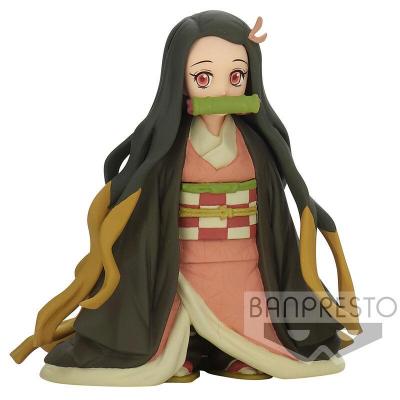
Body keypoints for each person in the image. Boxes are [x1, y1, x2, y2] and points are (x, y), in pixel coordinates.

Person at [10, 10, 361, 386]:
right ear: (180, 78)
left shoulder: (257, 145)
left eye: (236, 76)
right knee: (170, 309)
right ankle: (183, 351)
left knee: (251, 311)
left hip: (244, 257)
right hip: (182, 257)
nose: (222, 90)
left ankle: (235, 352)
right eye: (204, 78)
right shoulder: (168, 146)